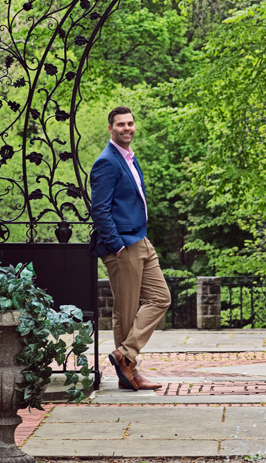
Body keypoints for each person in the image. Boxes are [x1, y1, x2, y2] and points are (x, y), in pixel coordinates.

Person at [89, 106, 171, 391]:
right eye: (121, 124)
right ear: (110, 128)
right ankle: (130, 373)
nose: (127, 128)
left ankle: (125, 355)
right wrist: (117, 245)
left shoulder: (129, 158)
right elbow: (99, 210)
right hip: (123, 245)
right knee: (125, 311)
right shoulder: (107, 162)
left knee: (161, 298)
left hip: (141, 240)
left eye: (130, 123)